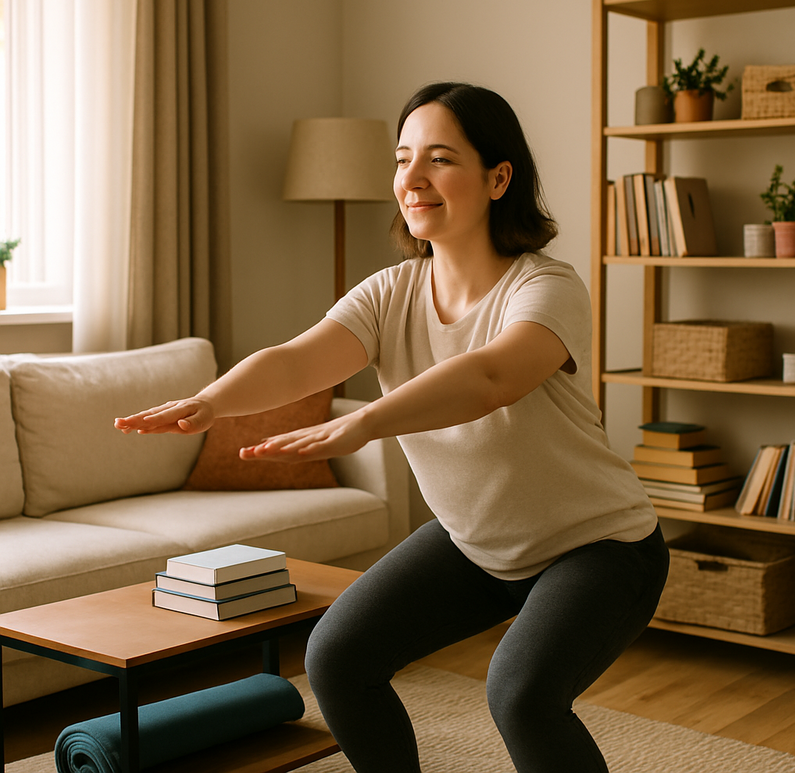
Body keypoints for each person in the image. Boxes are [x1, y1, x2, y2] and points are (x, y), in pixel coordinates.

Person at [116, 82, 669, 773]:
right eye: (403, 158)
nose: (412, 179)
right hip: (478, 543)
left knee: (521, 695)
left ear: (499, 178)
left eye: (439, 159)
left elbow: (490, 378)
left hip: (599, 548)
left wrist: (368, 422)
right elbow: (297, 361)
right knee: (338, 657)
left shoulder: (544, 287)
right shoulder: (390, 291)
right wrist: (212, 401)